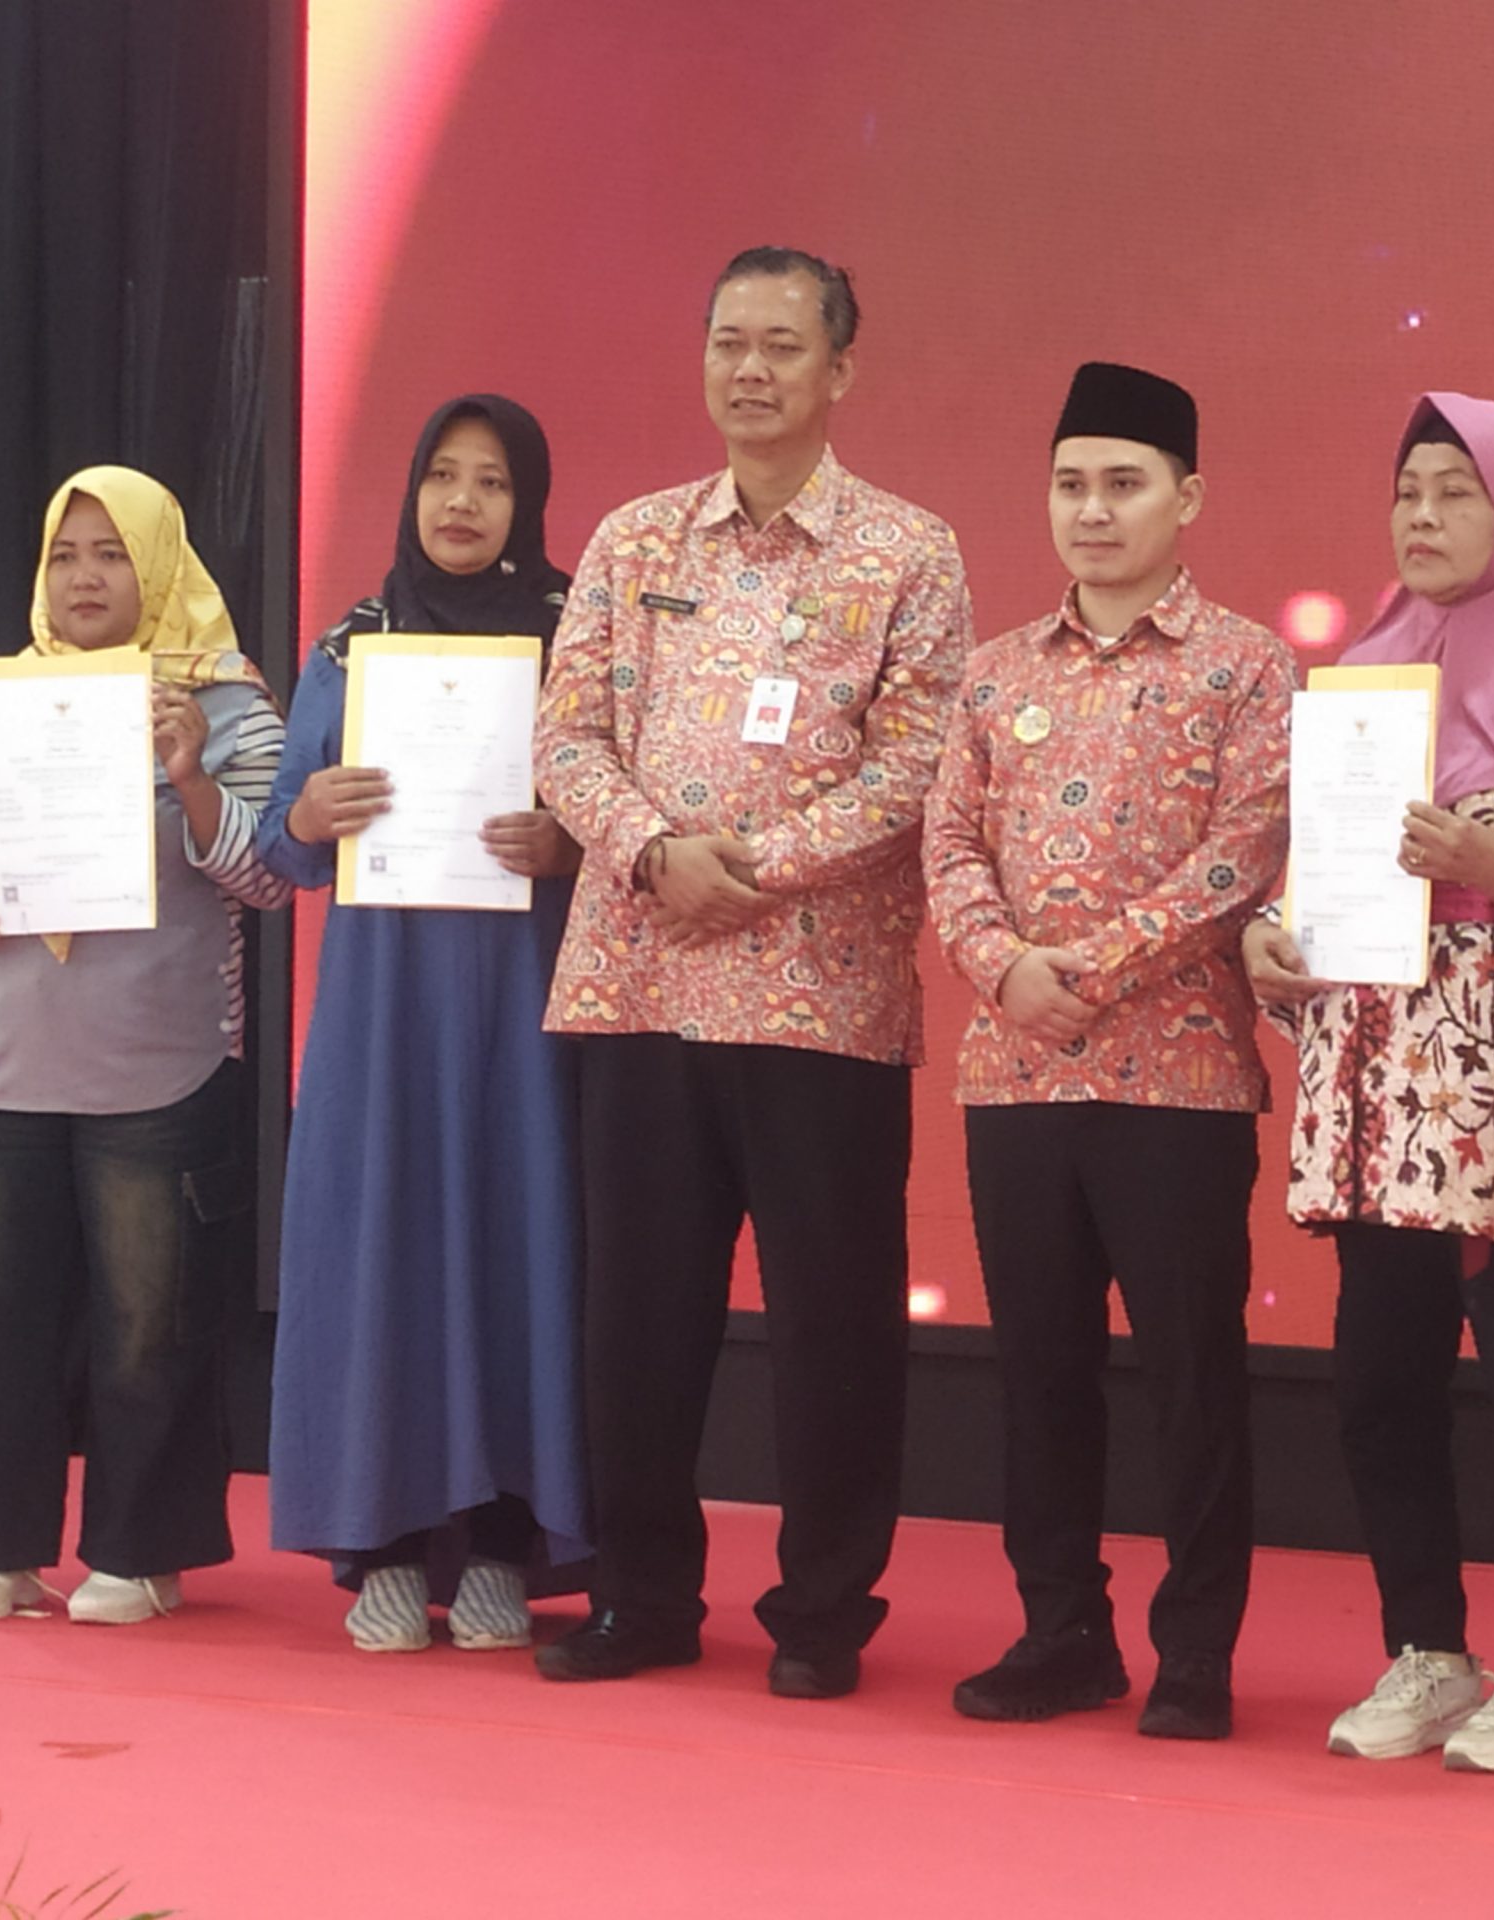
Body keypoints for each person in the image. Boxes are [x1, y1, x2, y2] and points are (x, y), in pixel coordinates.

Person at [531, 247, 973, 1700]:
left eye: (783, 345)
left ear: (840, 369)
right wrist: (655, 852)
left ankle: (824, 1613)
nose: (751, 369)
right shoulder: (634, 540)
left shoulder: (908, 551)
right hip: (639, 984)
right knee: (636, 1319)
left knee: (833, 1325)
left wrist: (757, 868)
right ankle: (641, 1596)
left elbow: (917, 766)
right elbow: (565, 738)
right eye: (729, 341)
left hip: (818, 997)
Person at [1244, 392, 1494, 1772]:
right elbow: (1323, 872)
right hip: (1379, 1099)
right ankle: (1425, 1650)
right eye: (1407, 491)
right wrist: (1274, 940)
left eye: (1454, 492)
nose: (1421, 517)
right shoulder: (1365, 678)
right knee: (1379, 1383)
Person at [924, 363, 1292, 1741]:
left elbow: (1244, 852)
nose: (1093, 510)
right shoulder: (993, 672)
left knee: (1192, 1372)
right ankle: (1060, 1629)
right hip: (1017, 1072)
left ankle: (1196, 1650)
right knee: (1040, 1368)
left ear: (1186, 500)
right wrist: (1003, 966)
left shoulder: (1247, 665)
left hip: (1178, 1078)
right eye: (1072, 484)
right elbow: (948, 844)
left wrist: (1087, 968)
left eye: (1123, 484)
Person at [0, 466, 290, 1624]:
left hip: (155, 1062)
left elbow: (273, 878)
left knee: (150, 1324)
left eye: (112, 554)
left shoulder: (228, 708)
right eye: (65, 554)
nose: (84, 577)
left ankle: (139, 1553)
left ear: (159, 565)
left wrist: (189, 776)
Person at [256, 395, 590, 1654]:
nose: (461, 502)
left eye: (492, 482)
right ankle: (384, 1548)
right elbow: (281, 843)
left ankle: (505, 1543)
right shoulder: (356, 645)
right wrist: (310, 814)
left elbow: (623, 808)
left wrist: (567, 842)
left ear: (527, 502)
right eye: (443, 475)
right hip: (385, 1012)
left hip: (524, 1006)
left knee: (520, 1252)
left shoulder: (576, 636)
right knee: (381, 1252)